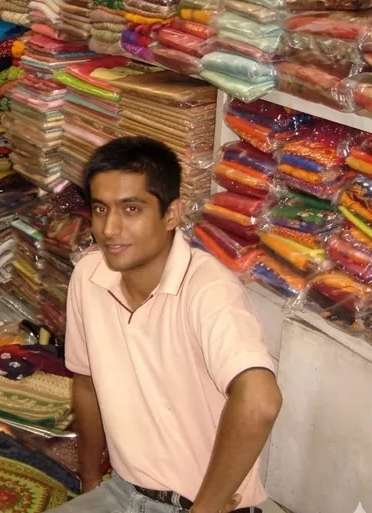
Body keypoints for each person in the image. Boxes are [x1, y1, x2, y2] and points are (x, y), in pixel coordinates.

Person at [50, 137, 282, 513]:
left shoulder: (207, 288)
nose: (109, 229)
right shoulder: (89, 274)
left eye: (131, 209)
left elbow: (259, 401)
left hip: (201, 503)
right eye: (100, 209)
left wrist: (205, 508)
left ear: (172, 214)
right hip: (123, 491)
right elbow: (86, 384)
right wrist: (89, 481)